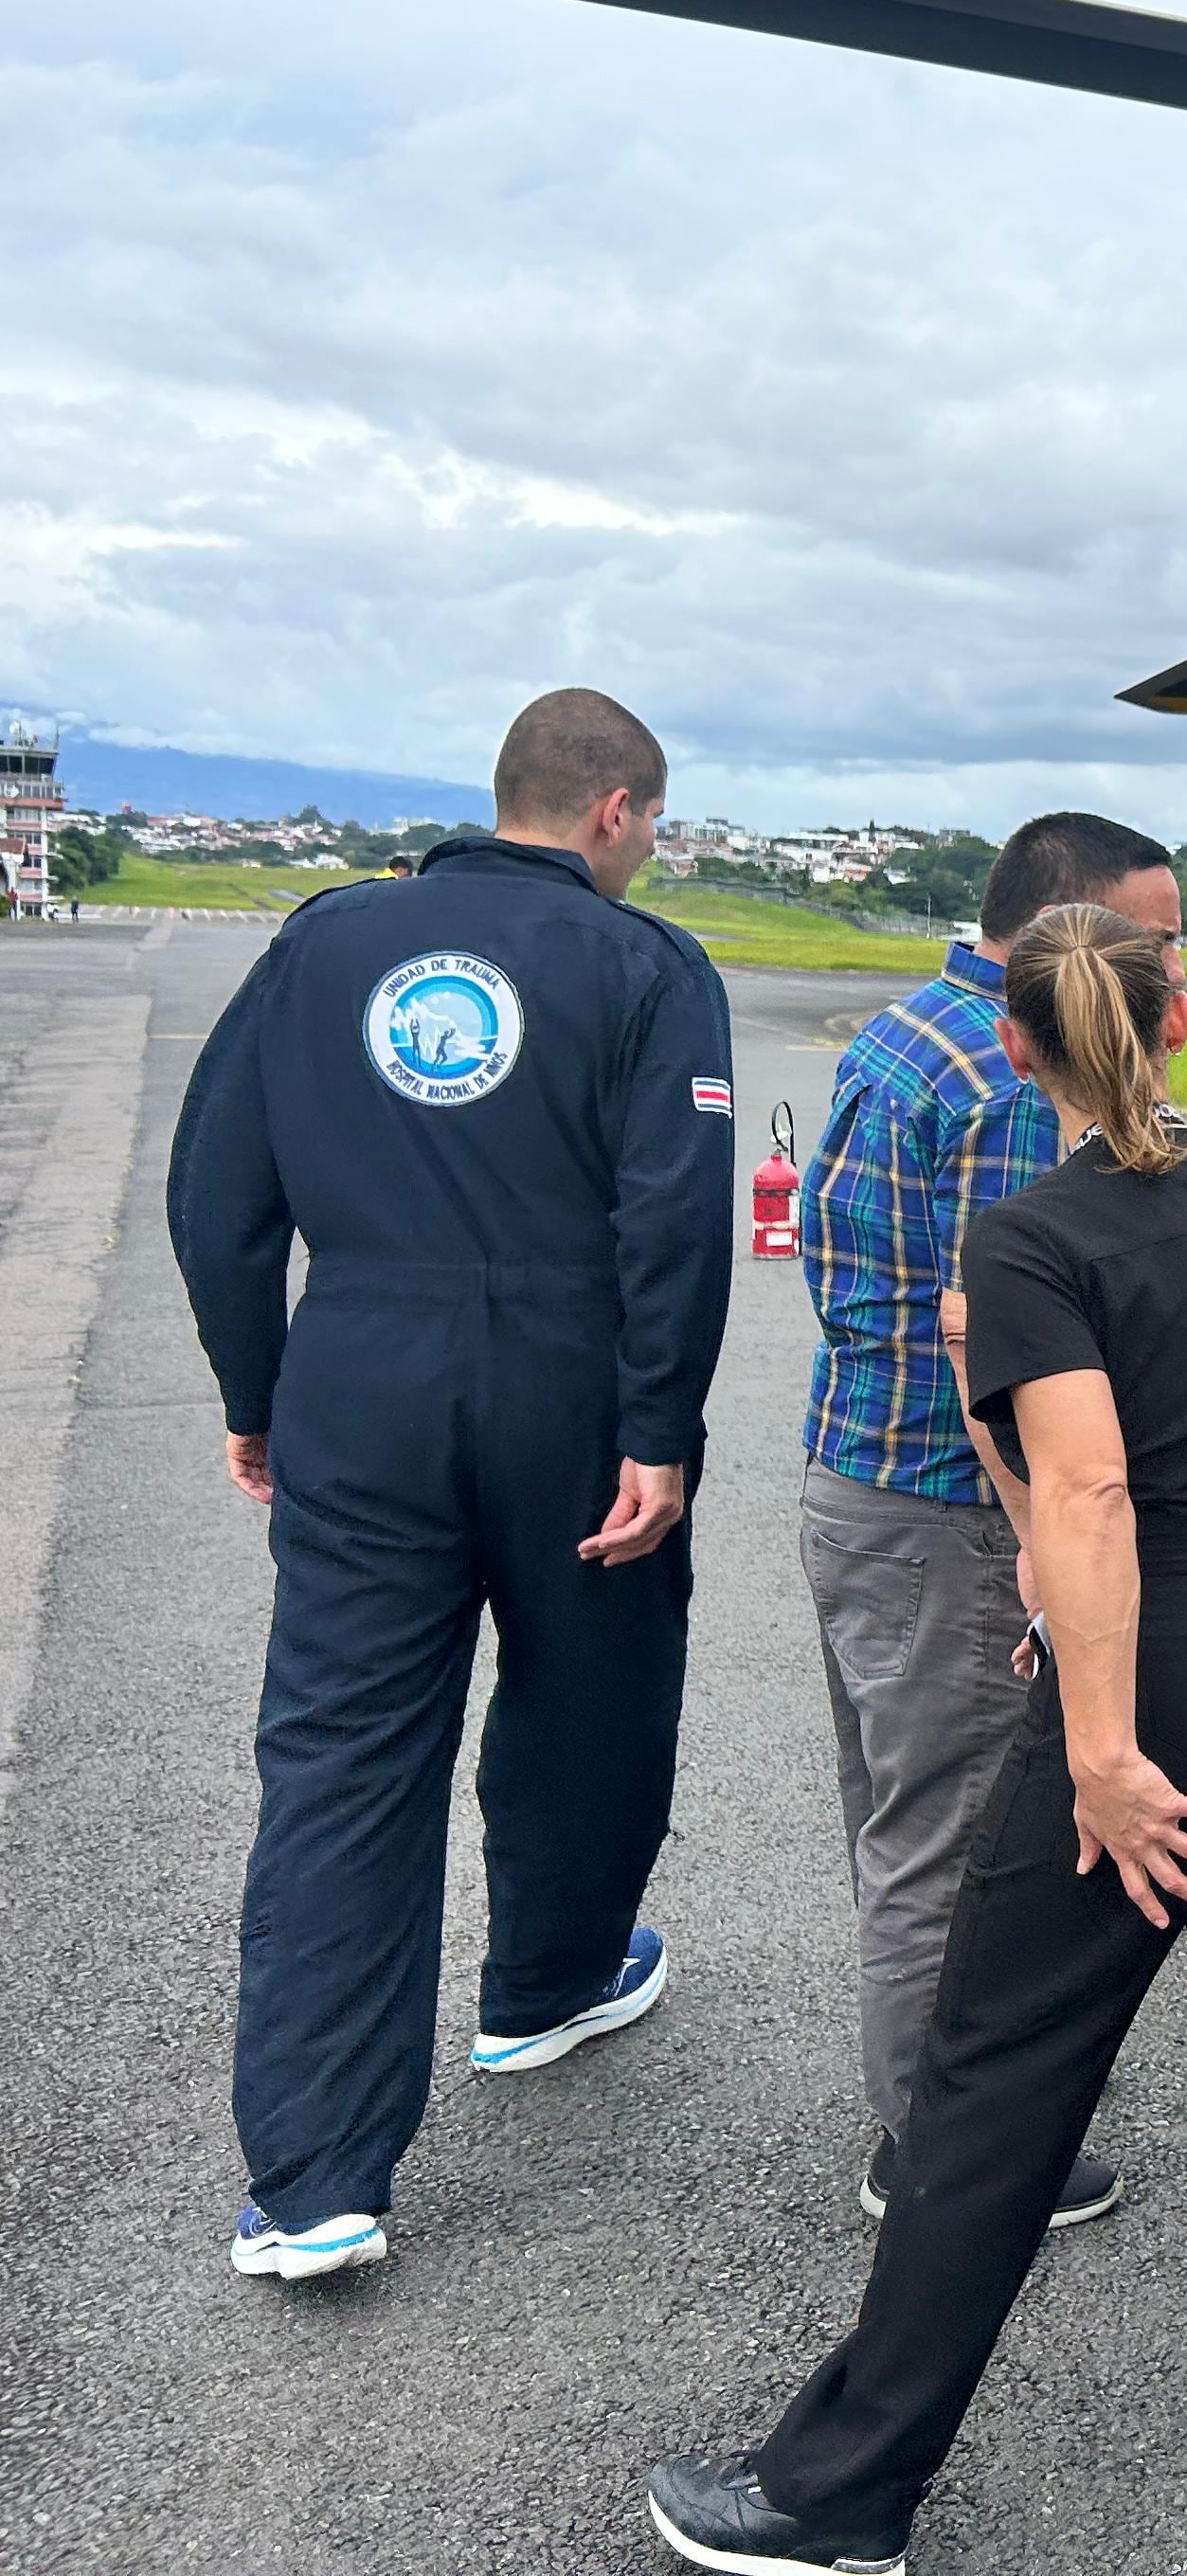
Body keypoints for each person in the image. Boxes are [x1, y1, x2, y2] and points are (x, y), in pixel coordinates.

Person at [648, 902, 1187, 2576]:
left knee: (990, 2095)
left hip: (1155, 1693)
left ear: (1019, 1044)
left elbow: (1090, 1497)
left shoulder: (1030, 1240)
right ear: (1179, 1019)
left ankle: (839, 2495)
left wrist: (1107, 1746)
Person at [167, 687, 733, 2281]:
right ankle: (545, 1978)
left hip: (360, 1367)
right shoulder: (645, 964)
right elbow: (673, 1216)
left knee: (344, 1752)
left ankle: (311, 2177)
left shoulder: (322, 942)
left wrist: (254, 1389)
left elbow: (216, 1197)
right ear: (615, 809)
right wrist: (659, 1426)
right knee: (591, 1686)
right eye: (650, 824)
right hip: (567, 1375)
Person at [796, 809, 1181, 2229]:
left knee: (895, 1814)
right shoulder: (1016, 1081)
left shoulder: (905, 1032)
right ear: (1069, 935)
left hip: (854, 1478)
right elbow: (1012, 1347)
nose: (1168, 975)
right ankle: (936, 2150)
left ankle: (939, 2085)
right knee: (947, 1841)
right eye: (1153, 939)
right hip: (953, 1506)